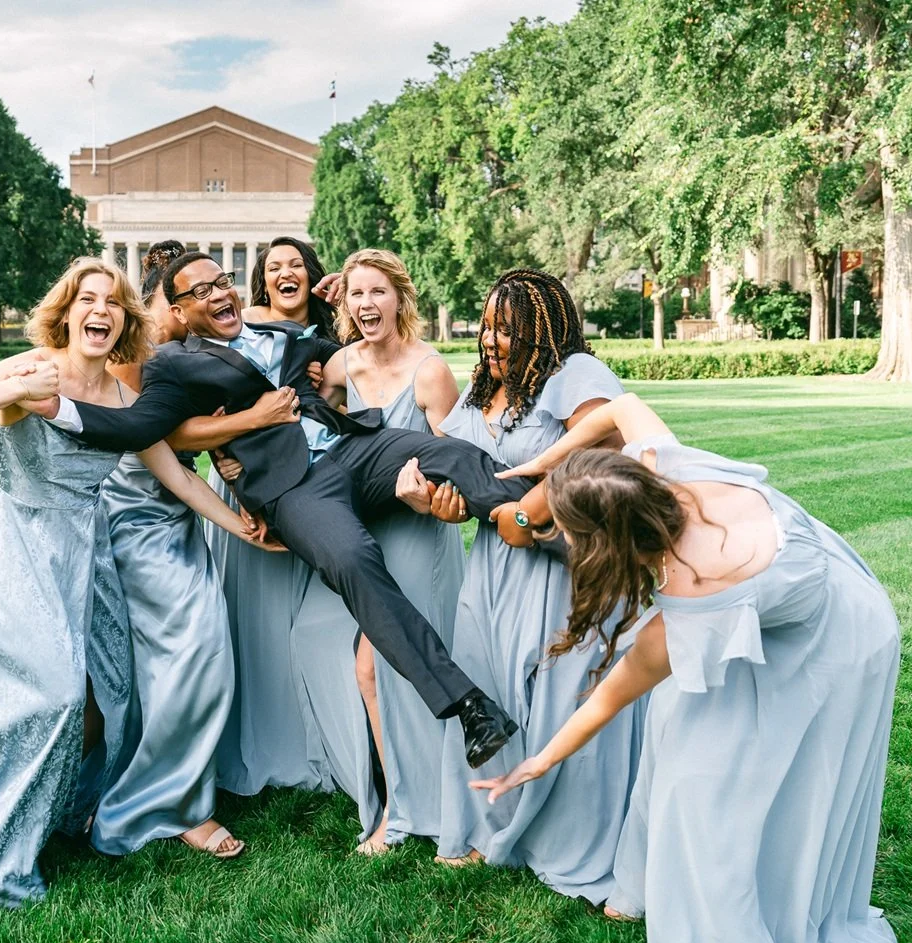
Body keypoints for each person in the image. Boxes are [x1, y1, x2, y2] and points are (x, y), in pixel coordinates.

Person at [0, 257, 264, 908]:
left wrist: (239, 524)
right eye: (87, 299)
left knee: (104, 698)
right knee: (44, 698)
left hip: (88, 555)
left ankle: (56, 811)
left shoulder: (126, 398)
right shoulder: (32, 367)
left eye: (113, 302)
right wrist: (11, 389)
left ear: (126, 319)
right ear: (67, 312)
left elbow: (177, 476)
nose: (99, 310)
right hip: (21, 550)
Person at [31, 251, 543, 769]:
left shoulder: (285, 336)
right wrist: (61, 408)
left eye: (222, 282)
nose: (220, 294)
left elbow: (365, 348)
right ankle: (469, 707)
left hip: (354, 449)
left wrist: (351, 294)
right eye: (200, 292)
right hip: (291, 489)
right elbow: (144, 428)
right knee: (352, 559)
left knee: (450, 454)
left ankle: (554, 519)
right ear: (181, 312)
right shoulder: (173, 364)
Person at [475, 392, 906, 943]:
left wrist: (540, 760)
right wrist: (543, 463)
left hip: (837, 641)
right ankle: (635, 885)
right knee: (674, 727)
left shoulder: (695, 586)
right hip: (789, 597)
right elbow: (621, 407)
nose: (566, 541)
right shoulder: (662, 465)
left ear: (607, 541)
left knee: (716, 796)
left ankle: (744, 910)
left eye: (571, 532)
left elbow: (613, 696)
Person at [423, 269, 643, 910]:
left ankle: (571, 845)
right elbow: (460, 475)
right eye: (488, 325)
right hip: (490, 566)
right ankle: (489, 828)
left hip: (560, 566)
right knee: (486, 687)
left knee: (559, 699)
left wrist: (529, 510)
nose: (493, 338)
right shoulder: (479, 395)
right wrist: (442, 503)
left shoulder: (576, 377)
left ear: (544, 328)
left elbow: (608, 453)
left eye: (509, 327)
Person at [278, 248, 464, 854]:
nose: (365, 305)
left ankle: (404, 810)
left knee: (376, 665)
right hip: (362, 528)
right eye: (355, 294)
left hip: (416, 530)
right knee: (311, 632)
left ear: (400, 298)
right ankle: (368, 777)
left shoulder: (430, 371)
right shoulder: (340, 366)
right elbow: (313, 417)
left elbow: (454, 465)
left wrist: (426, 497)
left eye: (377, 292)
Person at [91, 241, 248, 860]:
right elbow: (159, 433)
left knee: (179, 656)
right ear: (172, 302)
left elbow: (196, 441)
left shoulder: (190, 348)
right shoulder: (136, 351)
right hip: (135, 517)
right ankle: (175, 804)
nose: (214, 300)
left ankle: (174, 784)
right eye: (197, 293)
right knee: (194, 648)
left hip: (179, 514)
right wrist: (250, 421)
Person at [206, 237, 338, 795]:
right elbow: (203, 401)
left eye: (297, 265)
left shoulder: (334, 341)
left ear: (312, 275)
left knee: (310, 614)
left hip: (315, 481)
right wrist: (222, 455)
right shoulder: (238, 328)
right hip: (246, 477)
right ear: (263, 278)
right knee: (255, 611)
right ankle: (259, 735)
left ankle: (322, 736)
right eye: (275, 266)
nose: (287, 273)